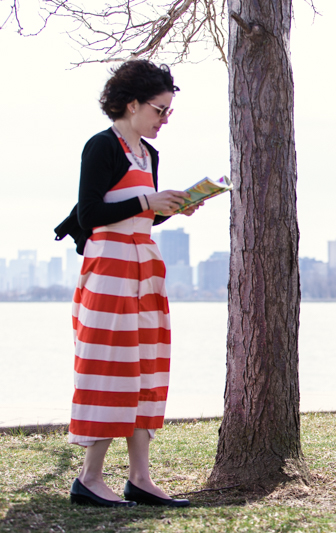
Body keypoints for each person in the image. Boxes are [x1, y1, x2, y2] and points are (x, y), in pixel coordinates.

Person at [68, 60, 200, 507]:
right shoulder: (101, 147)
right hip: (109, 269)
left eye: (168, 112)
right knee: (110, 365)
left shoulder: (149, 154)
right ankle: (89, 478)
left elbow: (138, 215)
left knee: (147, 365)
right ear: (132, 104)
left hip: (145, 266)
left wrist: (171, 208)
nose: (164, 120)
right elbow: (91, 216)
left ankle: (140, 478)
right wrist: (149, 199)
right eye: (159, 111)